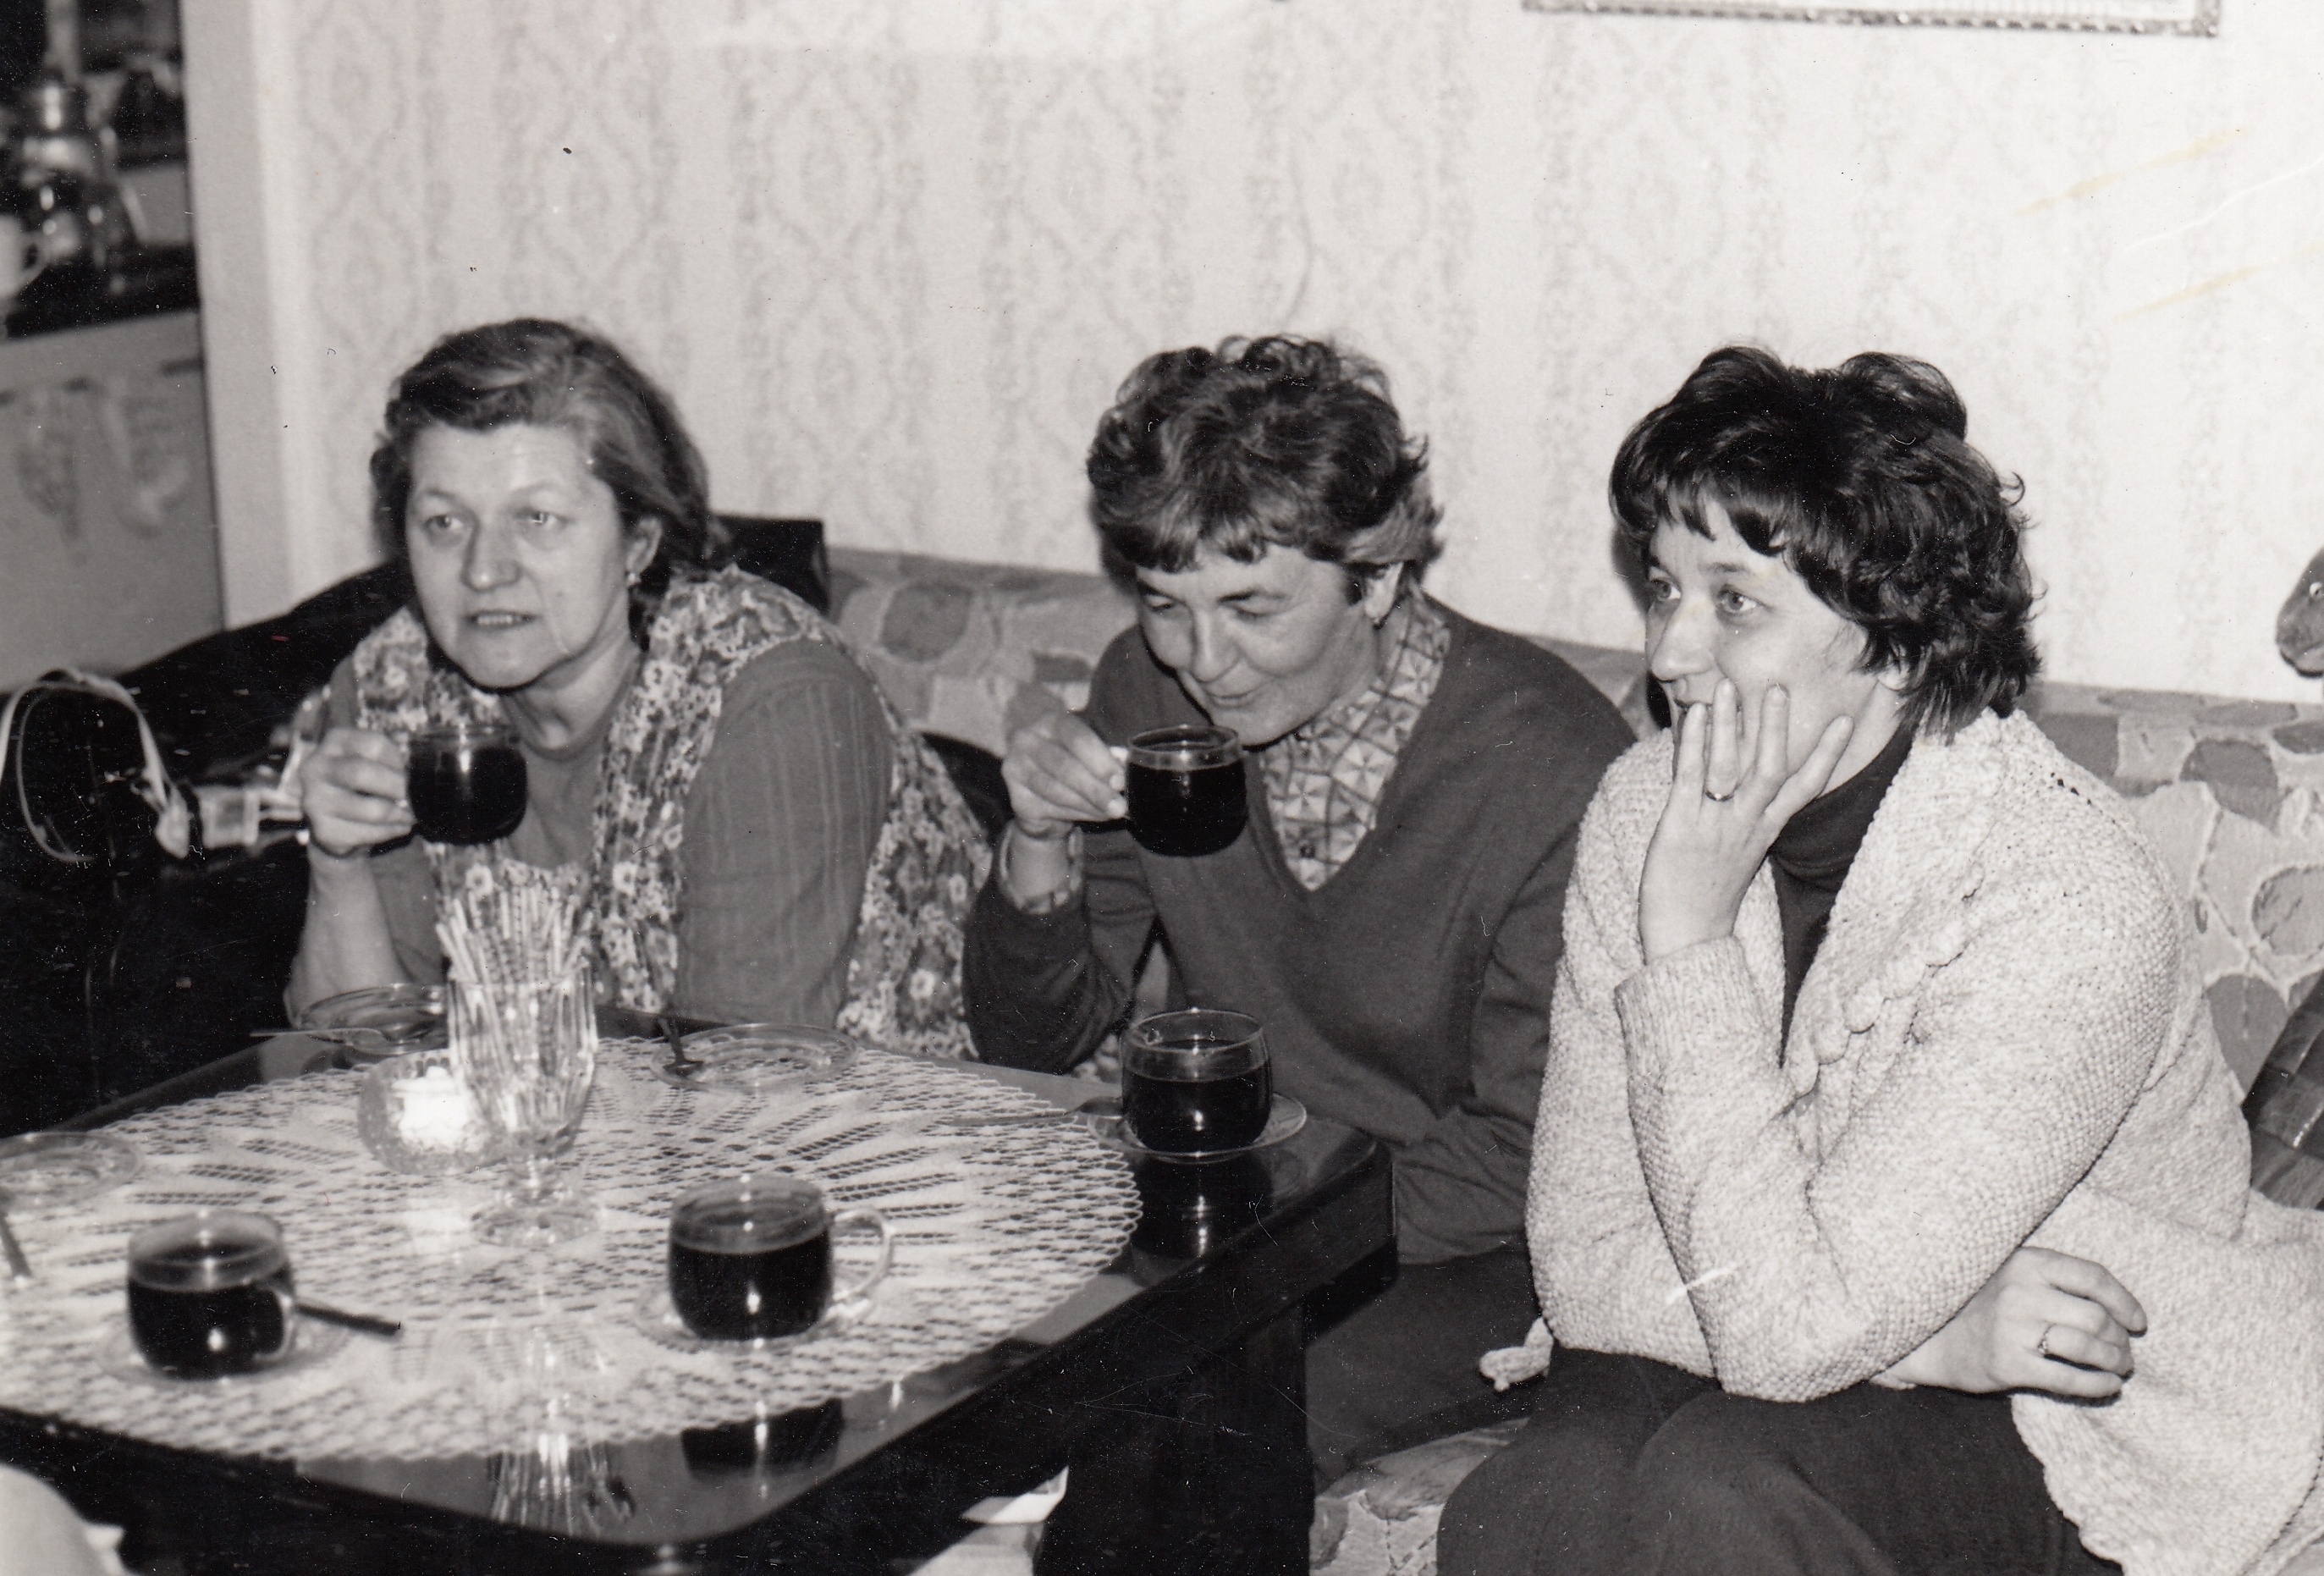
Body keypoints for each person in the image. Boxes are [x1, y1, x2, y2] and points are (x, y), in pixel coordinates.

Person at [1439, 347, 2324, 1576]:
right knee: (1528, 1507)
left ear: (1896, 645)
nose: (1669, 653)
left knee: (1722, 1491)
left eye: (1734, 603)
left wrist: (1686, 941)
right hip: (1854, 1321)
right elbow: (1584, 1261)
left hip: (2084, 1403)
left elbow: (1789, 1332)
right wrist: (1917, 1340)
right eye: (1664, 587)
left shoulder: (2061, 889)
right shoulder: (1645, 807)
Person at [961, 334, 1634, 1485]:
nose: (1204, 661)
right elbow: (1032, 1040)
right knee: (964, 1358)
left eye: (1252, 608)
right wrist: (1036, 838)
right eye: (1166, 603)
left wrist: (1249, 1237)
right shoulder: (1143, 688)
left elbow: (1526, 1150)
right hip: (1241, 1215)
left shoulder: (1550, 764)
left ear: (1376, 578)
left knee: (1197, 1414)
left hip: (1466, 1245)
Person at [288, 318, 986, 1055]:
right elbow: (356, 1055)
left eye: (537, 519)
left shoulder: (769, 697)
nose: (484, 570)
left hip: (867, 1113)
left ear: (640, 541)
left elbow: (743, 1073)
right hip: (592, 1117)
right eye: (443, 523)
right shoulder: (392, 685)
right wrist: (338, 863)